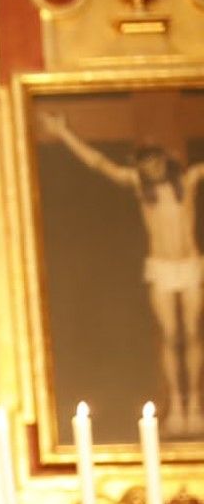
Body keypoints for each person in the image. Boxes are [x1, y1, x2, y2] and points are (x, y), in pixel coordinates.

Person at [44, 113, 204, 431]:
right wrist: (64, 133)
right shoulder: (140, 186)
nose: (150, 170)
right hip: (161, 267)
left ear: (164, 162)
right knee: (171, 337)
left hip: (189, 265)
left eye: (154, 163)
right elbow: (99, 163)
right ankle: (176, 406)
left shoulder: (187, 181)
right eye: (145, 166)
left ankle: (195, 406)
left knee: (192, 333)